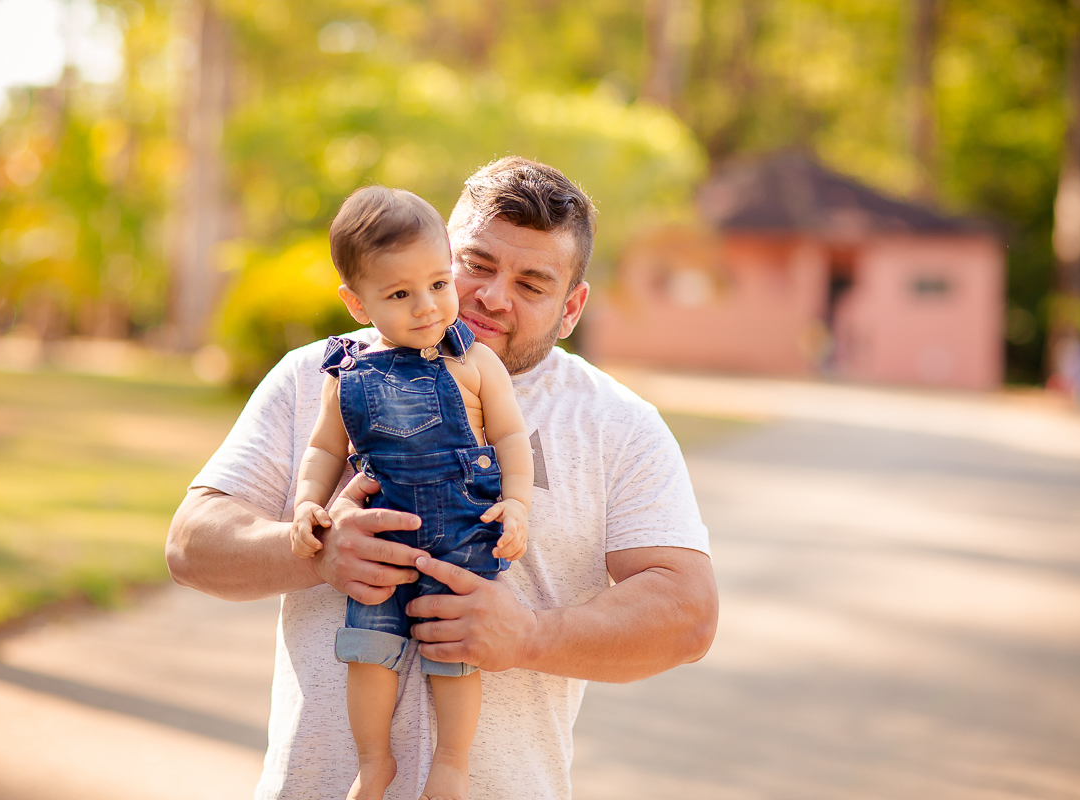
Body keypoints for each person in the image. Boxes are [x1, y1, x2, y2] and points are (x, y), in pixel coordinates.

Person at [166, 156, 718, 800]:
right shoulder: (322, 376)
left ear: (572, 309)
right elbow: (190, 545)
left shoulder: (617, 424)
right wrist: (316, 552)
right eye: (476, 264)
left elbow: (687, 612)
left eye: (532, 283)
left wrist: (531, 637)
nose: (493, 296)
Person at [289, 185, 532, 800]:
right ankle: (375, 764)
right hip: (383, 536)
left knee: (454, 649)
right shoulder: (346, 372)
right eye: (399, 295)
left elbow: (510, 438)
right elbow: (324, 450)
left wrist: (518, 504)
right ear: (357, 302)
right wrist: (308, 503)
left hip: (463, 531)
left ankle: (451, 765)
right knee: (369, 649)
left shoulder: (474, 362)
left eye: (439, 284)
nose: (426, 307)